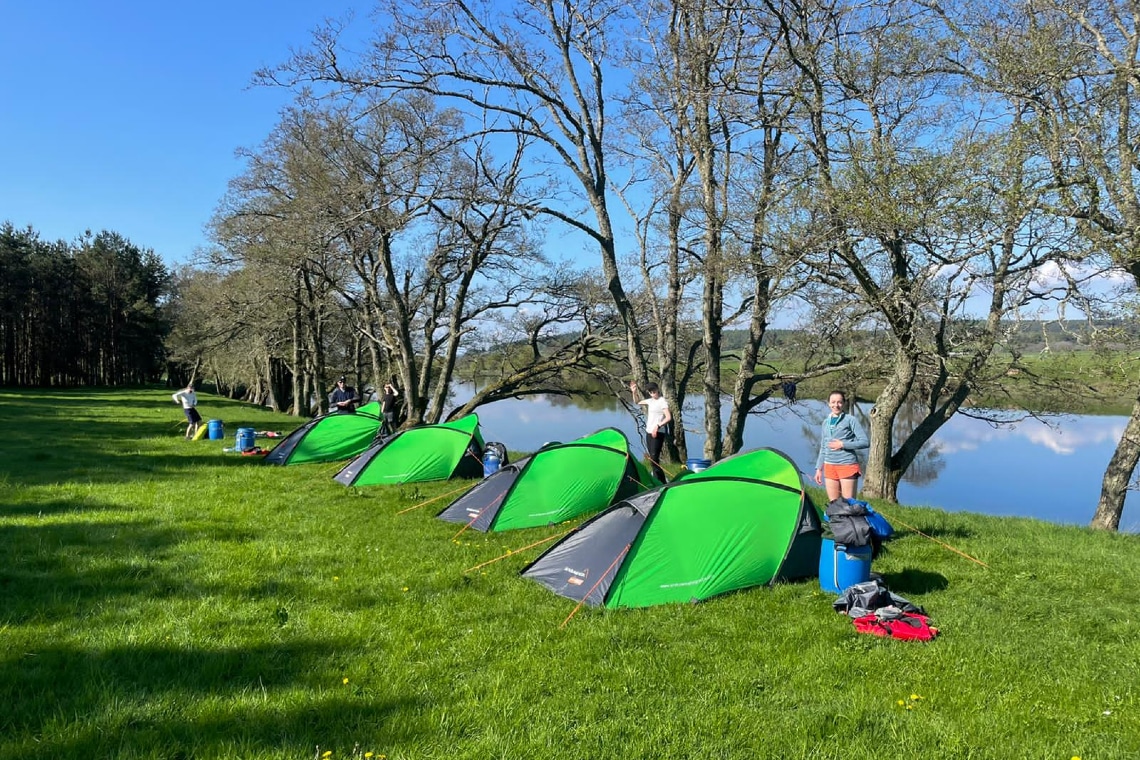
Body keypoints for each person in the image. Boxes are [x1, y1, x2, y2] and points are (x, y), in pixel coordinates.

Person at [814, 390, 870, 501]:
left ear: (844, 403)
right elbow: (823, 447)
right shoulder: (826, 422)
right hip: (829, 467)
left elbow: (865, 442)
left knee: (849, 506)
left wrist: (843, 444)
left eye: (839, 402)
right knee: (834, 505)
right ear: (829, 403)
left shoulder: (850, 420)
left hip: (847, 465)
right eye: (833, 402)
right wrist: (819, 469)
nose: (836, 405)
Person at [630, 379, 671, 483]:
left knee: (654, 458)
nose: (652, 393)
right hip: (649, 432)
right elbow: (637, 402)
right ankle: (656, 480)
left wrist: (658, 426)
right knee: (652, 459)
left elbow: (668, 417)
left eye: (654, 390)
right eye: (650, 391)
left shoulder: (662, 401)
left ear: (657, 390)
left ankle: (661, 482)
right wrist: (634, 392)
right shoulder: (650, 401)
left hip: (658, 432)